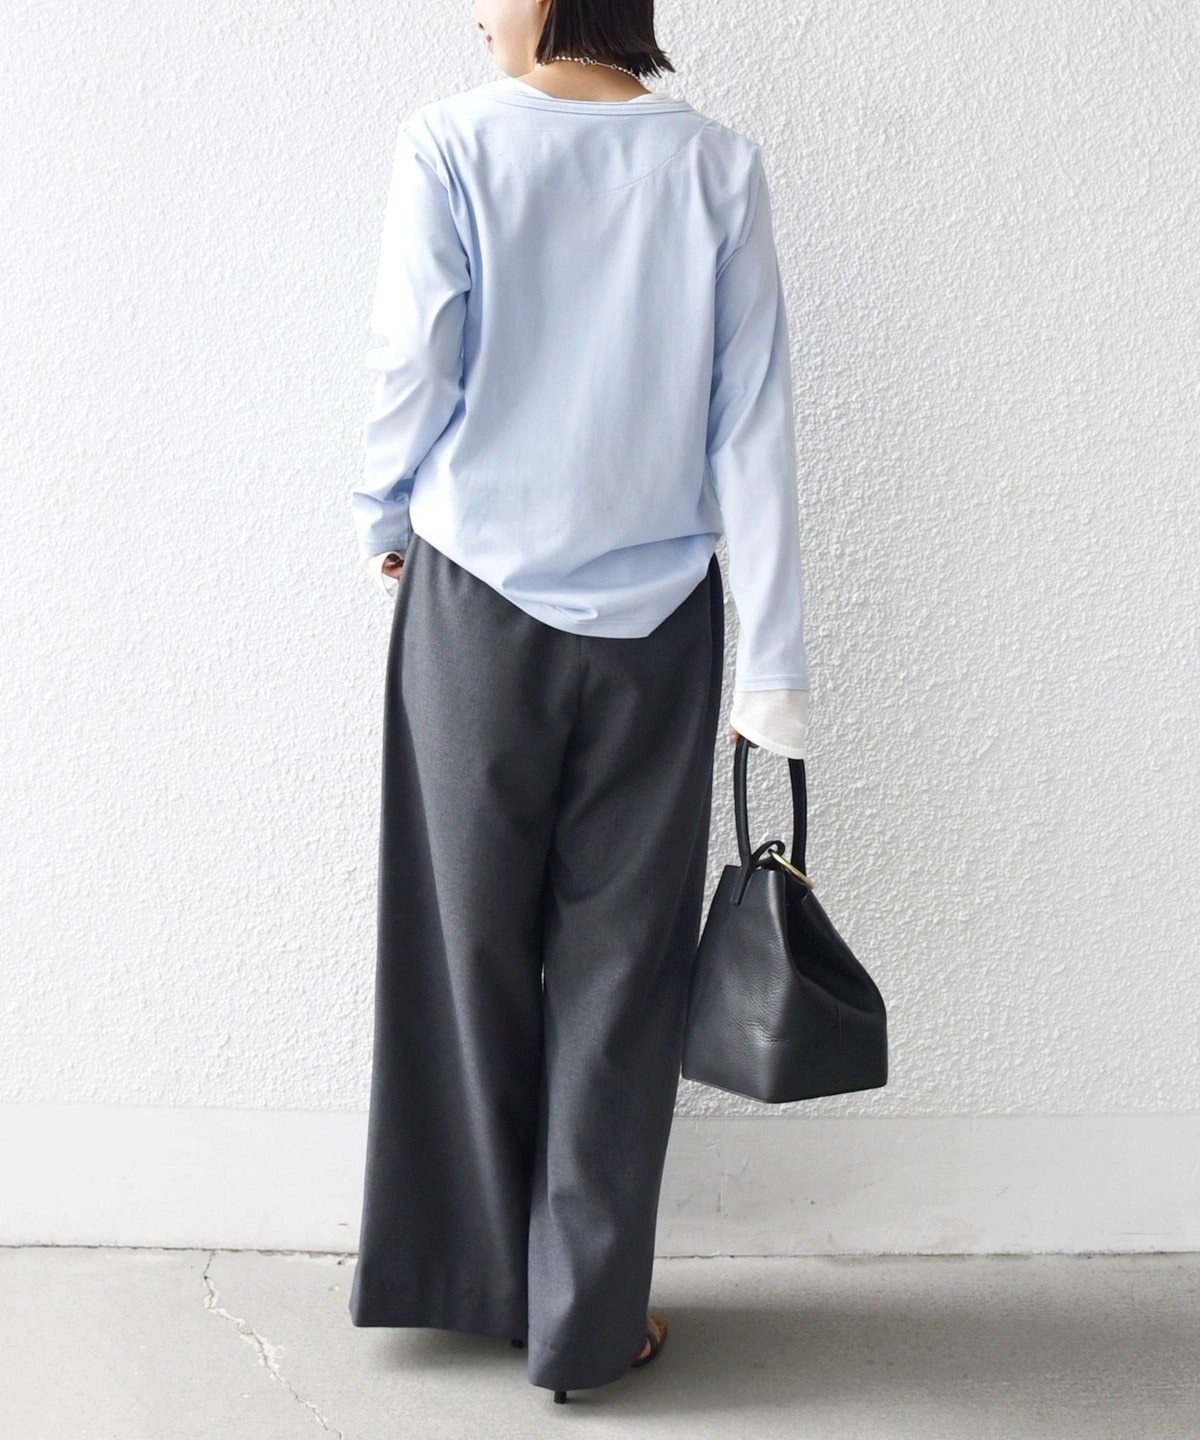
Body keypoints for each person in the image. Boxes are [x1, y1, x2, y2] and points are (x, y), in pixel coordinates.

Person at [347, 0, 811, 1406]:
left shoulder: (450, 145)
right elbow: (752, 422)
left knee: (462, 948)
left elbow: (413, 360)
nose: (472, 12)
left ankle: (472, 1280)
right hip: (660, 626)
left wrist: (380, 507)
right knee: (624, 975)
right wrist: (774, 665)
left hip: (476, 608)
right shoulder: (716, 164)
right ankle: (588, 1323)